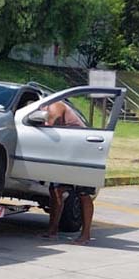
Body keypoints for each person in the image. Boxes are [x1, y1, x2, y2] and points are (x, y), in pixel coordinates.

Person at [39, 99, 97, 244]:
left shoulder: (55, 105)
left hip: (82, 151)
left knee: (83, 193)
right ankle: (52, 230)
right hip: (66, 151)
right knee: (56, 190)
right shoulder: (46, 108)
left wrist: (41, 123)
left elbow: (51, 123)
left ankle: (86, 235)